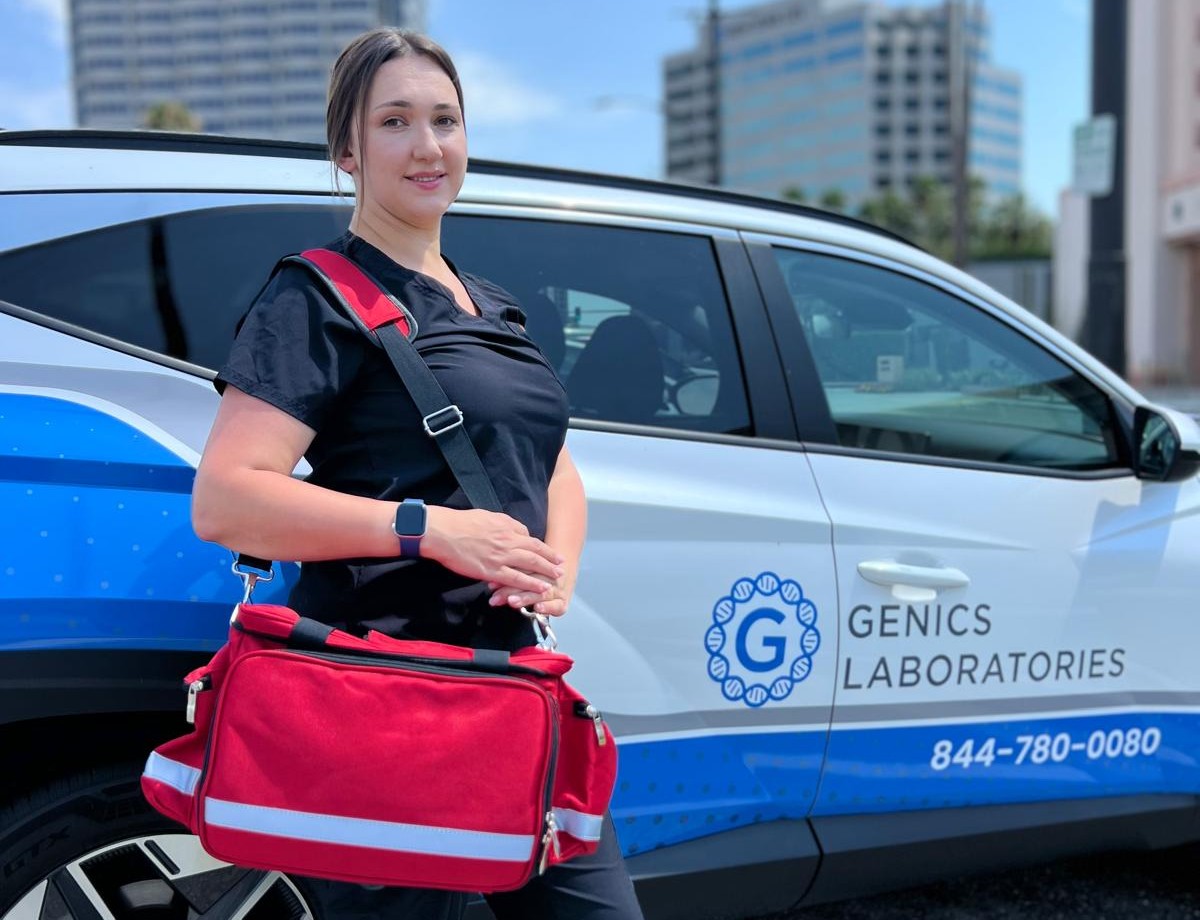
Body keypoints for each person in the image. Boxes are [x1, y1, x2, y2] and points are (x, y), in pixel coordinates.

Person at [191, 27, 644, 920]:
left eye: (445, 119)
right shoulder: (313, 296)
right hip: (381, 695)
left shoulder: (494, 302)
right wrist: (431, 529)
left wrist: (554, 570)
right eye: (395, 121)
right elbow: (227, 497)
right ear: (348, 151)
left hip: (509, 686)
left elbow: (551, 465)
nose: (428, 146)